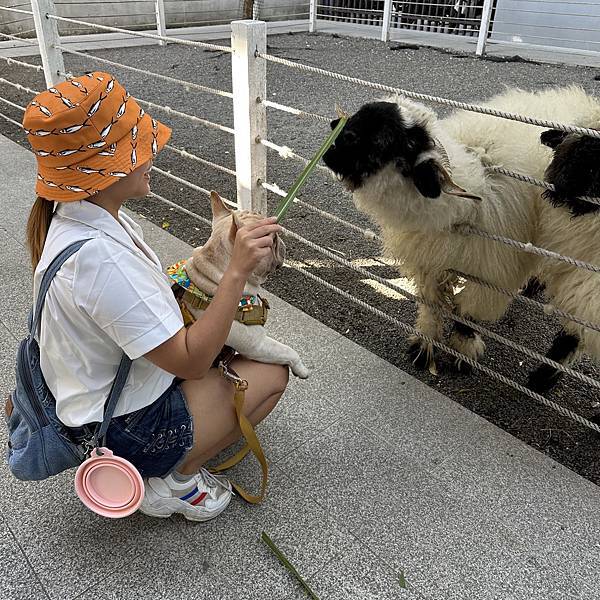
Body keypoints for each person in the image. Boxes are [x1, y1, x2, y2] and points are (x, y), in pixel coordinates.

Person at [23, 72, 288, 521]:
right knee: (272, 373)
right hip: (124, 427)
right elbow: (190, 362)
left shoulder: (76, 221)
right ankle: (173, 480)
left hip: (93, 396)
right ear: (102, 171)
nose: (152, 157)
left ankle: (173, 454)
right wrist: (236, 271)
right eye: (139, 149)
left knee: (229, 351)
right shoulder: (104, 261)